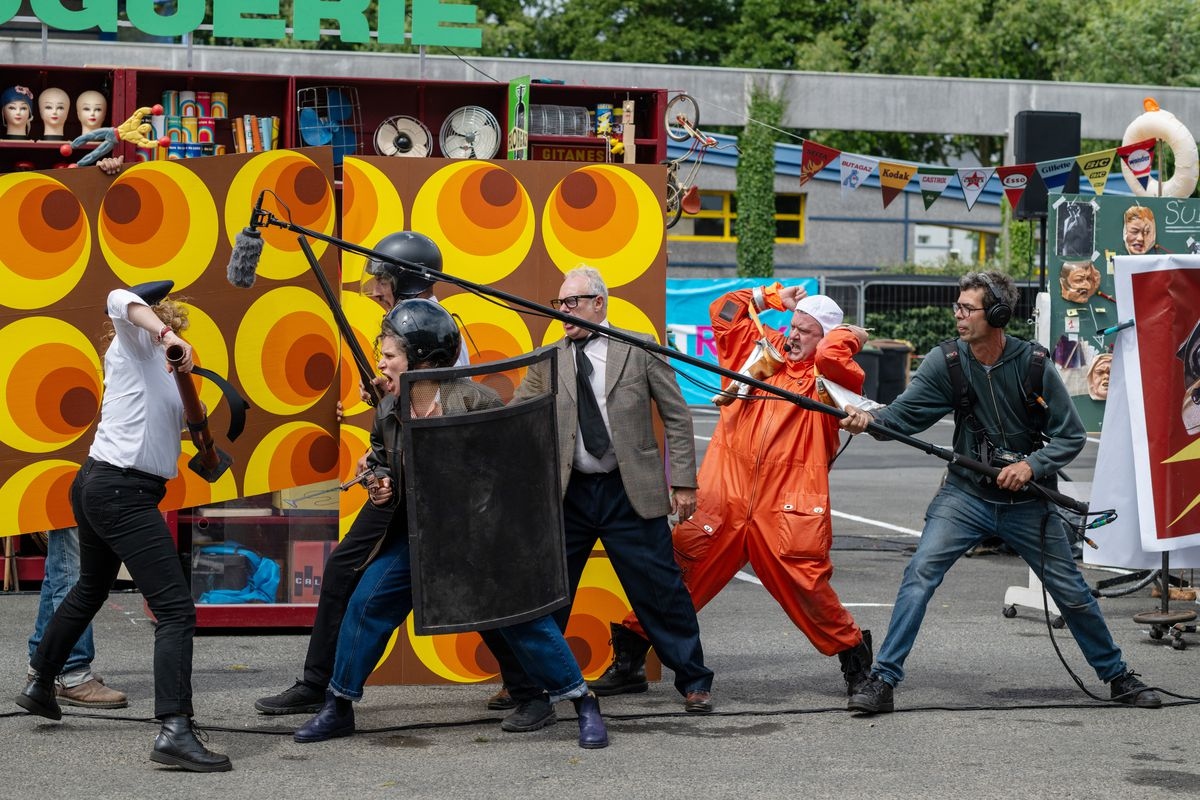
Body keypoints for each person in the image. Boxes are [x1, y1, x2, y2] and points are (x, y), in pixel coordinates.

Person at [839, 270, 1162, 714]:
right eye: (957, 307)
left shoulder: (1034, 365)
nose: (958, 315)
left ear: (997, 314)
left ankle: (1118, 676)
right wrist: (867, 420)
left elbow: (1069, 437)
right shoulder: (946, 362)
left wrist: (1033, 466)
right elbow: (901, 418)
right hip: (964, 497)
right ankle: (883, 680)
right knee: (919, 576)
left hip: (1028, 504)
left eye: (967, 308)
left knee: (1071, 593)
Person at [291, 299, 607, 749]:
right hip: (419, 535)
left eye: (390, 356)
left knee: (522, 620)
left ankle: (583, 703)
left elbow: (508, 477)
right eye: (383, 355)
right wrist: (380, 483)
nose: (381, 363)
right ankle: (338, 706)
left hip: (478, 537)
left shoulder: (477, 402)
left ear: (424, 361)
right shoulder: (388, 409)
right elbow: (384, 462)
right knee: (366, 603)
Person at [591, 285, 875, 701]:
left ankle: (857, 667)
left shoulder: (833, 376)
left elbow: (833, 353)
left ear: (827, 338)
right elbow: (723, 311)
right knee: (674, 581)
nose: (794, 336)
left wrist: (851, 333)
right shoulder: (758, 351)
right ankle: (630, 659)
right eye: (793, 327)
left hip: (786, 510)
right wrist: (774, 296)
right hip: (723, 501)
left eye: (807, 332)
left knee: (809, 590)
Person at [483, 265, 713, 732]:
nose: (564, 311)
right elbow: (512, 420)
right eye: (560, 304)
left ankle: (694, 679)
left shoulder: (639, 350)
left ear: (598, 303)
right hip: (569, 495)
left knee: (659, 589)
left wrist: (684, 481)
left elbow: (676, 416)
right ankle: (530, 681)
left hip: (630, 492)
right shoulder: (548, 359)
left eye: (573, 302)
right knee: (548, 594)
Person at [16, 281, 233, 772]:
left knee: (90, 587)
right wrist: (161, 337)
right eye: (166, 324)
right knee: (176, 610)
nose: (172, 332)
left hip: (103, 486)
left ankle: (40, 681)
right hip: (119, 491)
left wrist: (185, 378)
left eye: (177, 328)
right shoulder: (134, 345)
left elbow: (192, 425)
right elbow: (116, 296)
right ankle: (175, 730)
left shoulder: (167, 375)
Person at [255, 232, 467, 717]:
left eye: (382, 279)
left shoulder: (435, 334)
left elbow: (449, 407)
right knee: (352, 572)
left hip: (428, 491)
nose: (373, 290)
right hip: (396, 480)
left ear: (407, 279)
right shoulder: (403, 327)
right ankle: (319, 682)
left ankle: (528, 685)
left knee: (470, 586)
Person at [24, 154, 129, 712]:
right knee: (74, 558)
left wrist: (94, 184)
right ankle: (65, 668)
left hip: (76, 428)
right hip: (64, 434)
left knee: (76, 555)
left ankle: (53, 664)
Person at [26, 527, 128, 710]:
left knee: (61, 564)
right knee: (70, 568)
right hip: (65, 498)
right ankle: (71, 673)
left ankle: (43, 665)